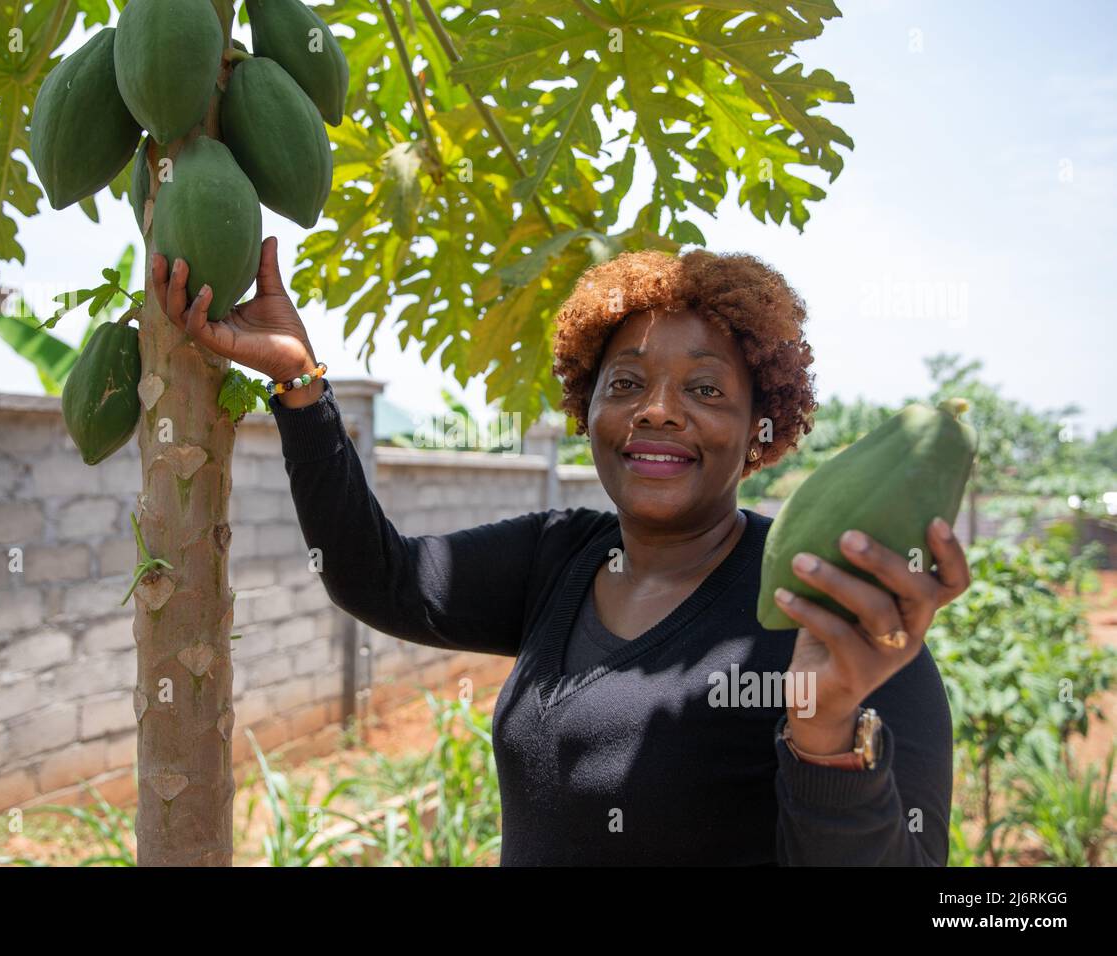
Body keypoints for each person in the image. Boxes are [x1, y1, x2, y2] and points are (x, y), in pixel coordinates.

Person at [150, 238, 967, 866]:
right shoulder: (561, 557)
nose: (657, 411)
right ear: (590, 412)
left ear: (763, 427)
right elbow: (381, 579)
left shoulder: (833, 622)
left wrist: (823, 736)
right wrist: (301, 385)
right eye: (625, 383)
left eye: (706, 389)